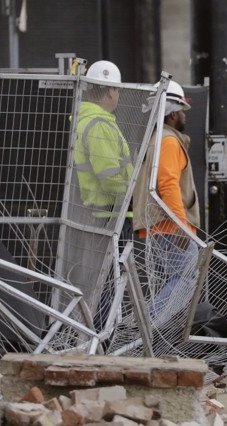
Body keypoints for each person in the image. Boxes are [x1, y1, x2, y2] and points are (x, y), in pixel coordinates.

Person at [73, 60, 134, 329]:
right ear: (110, 92)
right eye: (117, 90)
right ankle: (101, 338)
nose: (119, 96)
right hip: (110, 216)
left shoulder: (82, 119)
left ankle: (98, 334)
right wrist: (132, 192)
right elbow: (110, 178)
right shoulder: (99, 124)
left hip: (96, 214)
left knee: (100, 282)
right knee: (108, 285)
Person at [132, 80, 198, 318]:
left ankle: (148, 331)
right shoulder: (169, 141)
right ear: (171, 115)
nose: (184, 115)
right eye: (180, 110)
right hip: (171, 226)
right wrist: (181, 226)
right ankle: (147, 330)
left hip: (163, 225)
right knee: (185, 279)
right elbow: (168, 184)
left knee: (181, 279)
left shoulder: (156, 140)